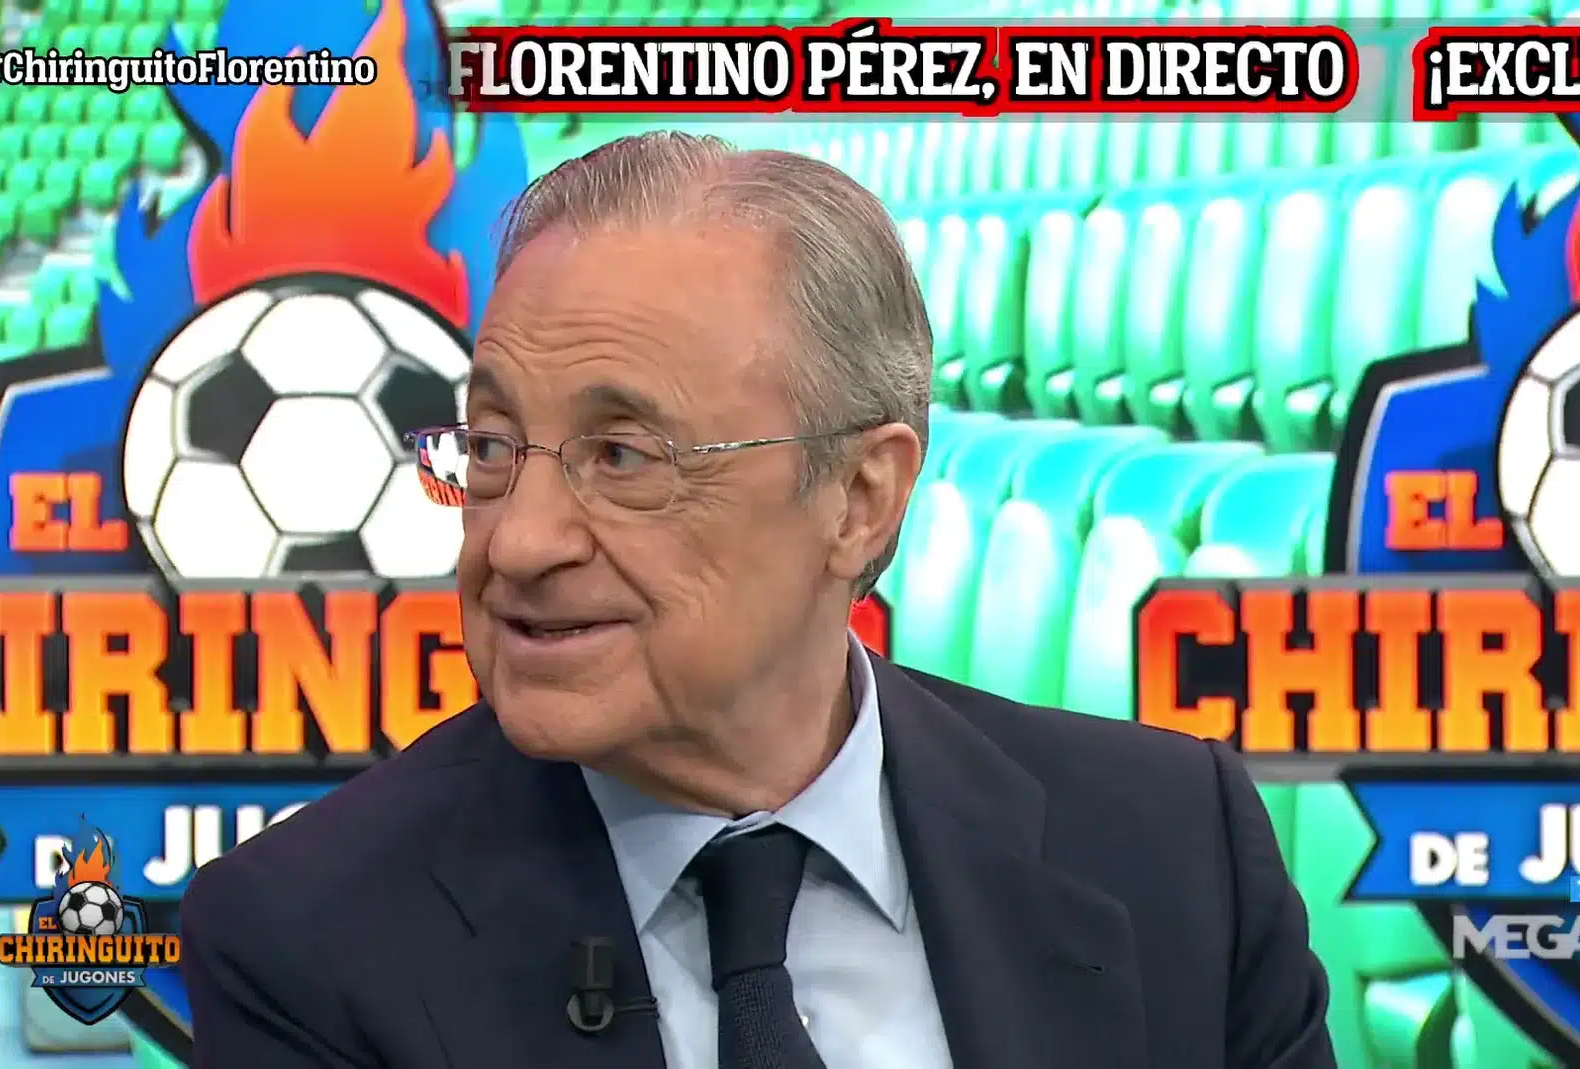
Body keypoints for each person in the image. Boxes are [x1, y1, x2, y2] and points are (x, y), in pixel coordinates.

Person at [179, 130, 1335, 1069]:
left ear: (859, 499)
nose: (519, 541)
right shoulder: (310, 942)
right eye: (490, 446)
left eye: (622, 456)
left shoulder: (1173, 847)